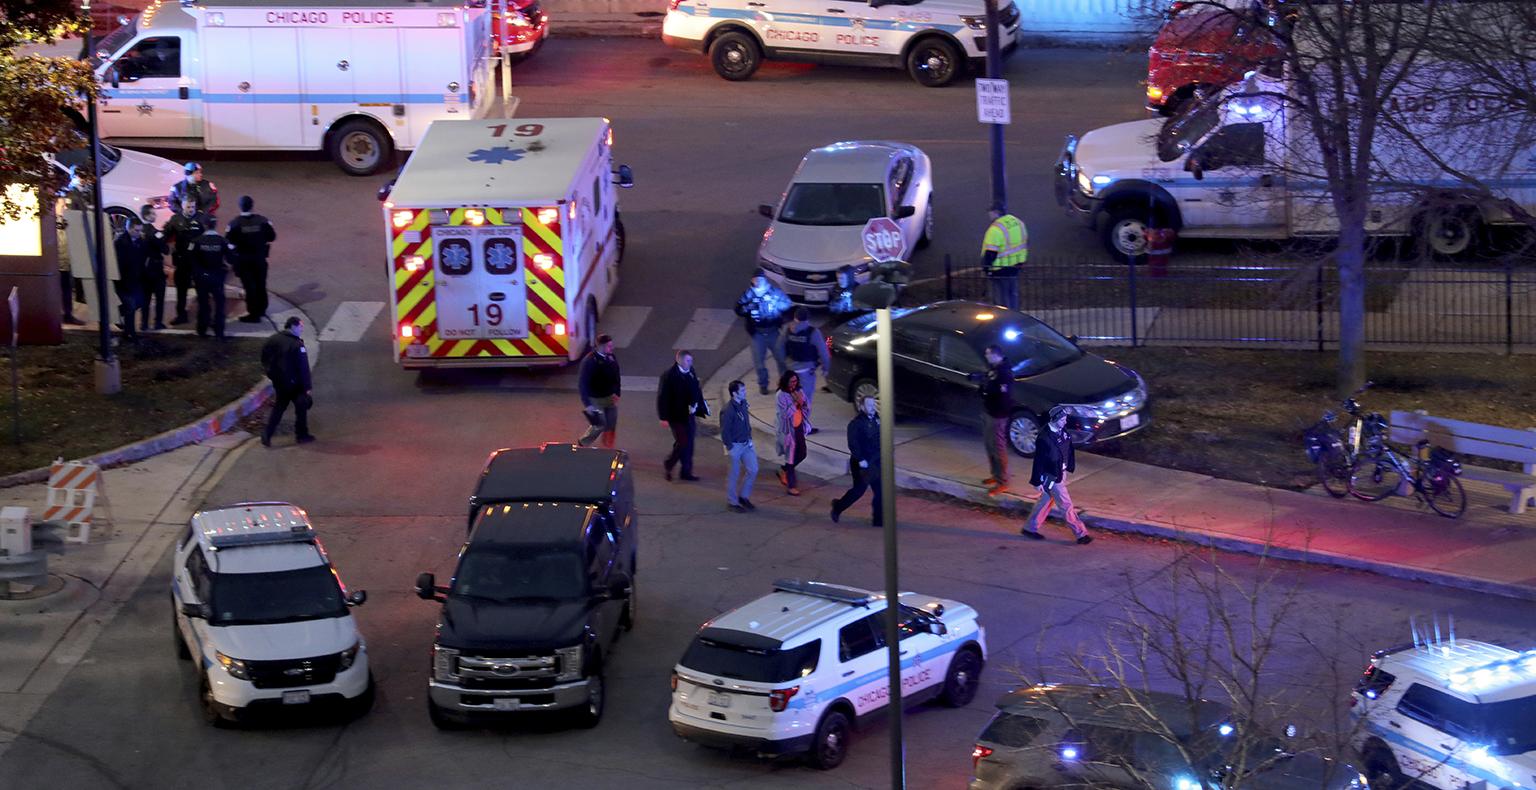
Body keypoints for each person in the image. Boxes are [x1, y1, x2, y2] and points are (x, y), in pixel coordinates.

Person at [1020, 406, 1092, 544]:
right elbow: (1039, 461)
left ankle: (1029, 528)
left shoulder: (1061, 431)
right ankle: (1081, 534)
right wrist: (1036, 481)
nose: (1065, 421)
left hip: (1060, 472)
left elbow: (1067, 448)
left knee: (1046, 500)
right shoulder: (1044, 438)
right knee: (1066, 504)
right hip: (1052, 476)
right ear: (1055, 419)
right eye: (1063, 419)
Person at [734, 269, 791, 395]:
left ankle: (784, 384)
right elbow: (738, 309)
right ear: (752, 280)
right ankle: (763, 384)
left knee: (782, 359)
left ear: (765, 279)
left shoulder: (774, 292)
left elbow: (787, 304)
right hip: (757, 334)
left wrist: (775, 302)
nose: (758, 281)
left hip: (774, 332)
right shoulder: (748, 294)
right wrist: (749, 307)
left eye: (761, 279)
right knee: (759, 363)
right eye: (756, 279)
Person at [830, 394, 882, 527]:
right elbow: (853, 444)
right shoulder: (856, 424)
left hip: (876, 461)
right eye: (869, 405)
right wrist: (861, 459)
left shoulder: (877, 420)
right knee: (859, 490)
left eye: (873, 404)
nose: (872, 407)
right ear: (861, 407)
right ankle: (838, 507)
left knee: (880, 491)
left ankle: (878, 519)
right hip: (862, 463)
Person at [262, 316, 314, 447]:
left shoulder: (273, 339)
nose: (302, 329)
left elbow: (264, 357)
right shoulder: (297, 345)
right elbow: (303, 368)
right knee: (301, 408)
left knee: (279, 408)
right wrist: (307, 387)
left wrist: (271, 374)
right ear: (293, 326)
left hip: (280, 383)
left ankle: (267, 434)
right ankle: (302, 435)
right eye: (300, 326)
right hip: (296, 385)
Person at [657, 349, 707, 481]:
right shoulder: (669, 376)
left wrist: (698, 404)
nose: (691, 363)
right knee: (683, 442)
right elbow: (663, 398)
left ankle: (686, 472)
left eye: (691, 360)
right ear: (679, 360)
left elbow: (696, 389)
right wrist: (663, 417)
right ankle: (669, 463)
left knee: (688, 443)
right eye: (688, 360)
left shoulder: (691, 371)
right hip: (676, 416)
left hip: (689, 415)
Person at [225, 195, 276, 323]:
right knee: (261, 284)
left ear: (240, 206)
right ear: (252, 205)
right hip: (259, 259)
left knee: (249, 287)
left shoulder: (234, 224)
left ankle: (254, 314)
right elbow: (271, 237)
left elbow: (230, 244)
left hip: (244, 261)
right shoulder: (263, 221)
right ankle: (262, 309)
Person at [780, 307, 830, 435]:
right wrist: (826, 368)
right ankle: (801, 428)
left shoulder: (787, 329)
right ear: (808, 319)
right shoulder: (813, 332)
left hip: (791, 370)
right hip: (806, 372)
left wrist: (784, 367)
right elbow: (824, 352)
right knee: (805, 401)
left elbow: (779, 348)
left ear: (795, 317)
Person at [163, 198, 207, 325]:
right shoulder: (175, 219)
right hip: (182, 261)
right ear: (182, 206)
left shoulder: (202, 218)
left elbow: (208, 236)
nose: (191, 209)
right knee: (181, 291)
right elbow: (165, 235)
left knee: (202, 290)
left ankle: (203, 317)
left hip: (198, 261)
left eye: (192, 206)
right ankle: (181, 316)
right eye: (188, 207)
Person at [977, 344, 1012, 495]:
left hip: (997, 415)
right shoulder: (994, 369)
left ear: (996, 355)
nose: (986, 357)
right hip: (988, 411)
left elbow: (1002, 395)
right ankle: (995, 475)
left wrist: (988, 390)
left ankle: (1002, 481)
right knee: (989, 445)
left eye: (988, 354)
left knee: (998, 448)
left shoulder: (1004, 372)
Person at [576, 333, 621, 448]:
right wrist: (588, 404)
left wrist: (617, 392)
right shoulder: (589, 361)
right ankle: (582, 443)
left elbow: (616, 375)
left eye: (612, 345)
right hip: (595, 398)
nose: (612, 348)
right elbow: (583, 384)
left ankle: (607, 446)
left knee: (611, 423)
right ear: (600, 347)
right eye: (609, 346)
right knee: (599, 424)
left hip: (609, 397)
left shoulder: (611, 357)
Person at [720, 380, 757, 513]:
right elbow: (725, 431)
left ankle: (743, 496)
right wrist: (730, 447)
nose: (745, 392)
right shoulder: (728, 410)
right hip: (735, 445)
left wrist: (749, 438)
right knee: (733, 475)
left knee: (753, 469)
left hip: (746, 443)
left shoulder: (743, 404)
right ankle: (732, 502)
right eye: (742, 390)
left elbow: (746, 422)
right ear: (734, 393)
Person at [190, 223, 231, 339]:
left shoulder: (196, 241)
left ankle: (202, 330)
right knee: (219, 305)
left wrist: (198, 274)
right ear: (215, 225)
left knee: (203, 304)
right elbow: (231, 258)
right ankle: (219, 331)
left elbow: (191, 260)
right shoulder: (222, 241)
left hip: (202, 278)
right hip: (217, 277)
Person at [981, 208, 1028, 310]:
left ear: (995, 213)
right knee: (1012, 295)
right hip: (1015, 266)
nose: (989, 216)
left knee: (1000, 300)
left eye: (990, 213)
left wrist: (986, 268)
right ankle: (1014, 317)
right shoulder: (1017, 222)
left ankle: (1002, 320)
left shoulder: (995, 229)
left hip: (999, 269)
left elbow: (990, 253)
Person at [111, 218, 150, 340]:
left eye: (140, 230)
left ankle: (122, 322)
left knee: (138, 303)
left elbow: (142, 259)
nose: (139, 233)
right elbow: (118, 264)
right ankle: (130, 334)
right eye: (136, 230)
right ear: (129, 228)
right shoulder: (120, 243)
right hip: (124, 281)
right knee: (131, 306)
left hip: (136, 280)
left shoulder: (140, 242)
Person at [774, 370, 809, 496]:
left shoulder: (798, 391)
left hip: (798, 426)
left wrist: (802, 402)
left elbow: (805, 405)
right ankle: (791, 485)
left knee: (802, 453)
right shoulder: (780, 395)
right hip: (788, 429)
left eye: (795, 381)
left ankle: (784, 470)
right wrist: (795, 403)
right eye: (791, 381)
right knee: (790, 456)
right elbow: (784, 414)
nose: (794, 384)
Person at [138, 204, 168, 330]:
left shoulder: (139, 232)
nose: (155, 215)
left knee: (146, 298)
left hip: (143, 270)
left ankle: (144, 323)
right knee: (159, 298)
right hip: (156, 269)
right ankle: (157, 322)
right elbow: (165, 250)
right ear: (146, 216)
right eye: (152, 214)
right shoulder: (155, 233)